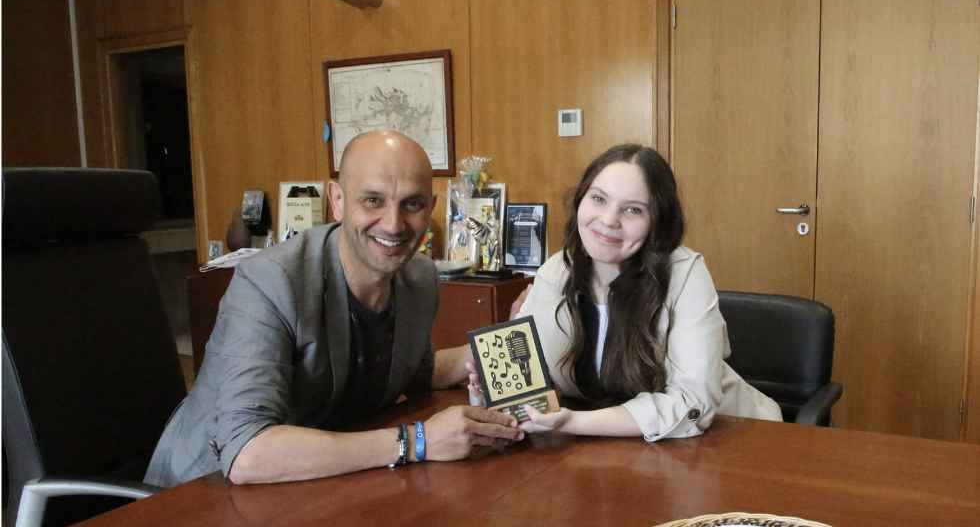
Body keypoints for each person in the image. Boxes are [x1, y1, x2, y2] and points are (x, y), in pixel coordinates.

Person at [146, 131, 523, 487]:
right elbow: (247, 452)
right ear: (337, 200)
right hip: (202, 490)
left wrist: (510, 337)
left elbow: (415, 373)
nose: (394, 224)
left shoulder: (418, 277)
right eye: (373, 200)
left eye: (412, 204)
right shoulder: (270, 280)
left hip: (319, 482)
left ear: (431, 208)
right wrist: (418, 441)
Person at [472, 144, 780, 441]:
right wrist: (496, 393)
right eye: (598, 199)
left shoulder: (686, 274)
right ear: (580, 200)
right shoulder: (556, 270)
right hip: (614, 447)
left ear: (657, 222)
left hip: (734, 437)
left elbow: (692, 404)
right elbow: (534, 382)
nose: (608, 220)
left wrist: (573, 422)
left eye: (633, 210)